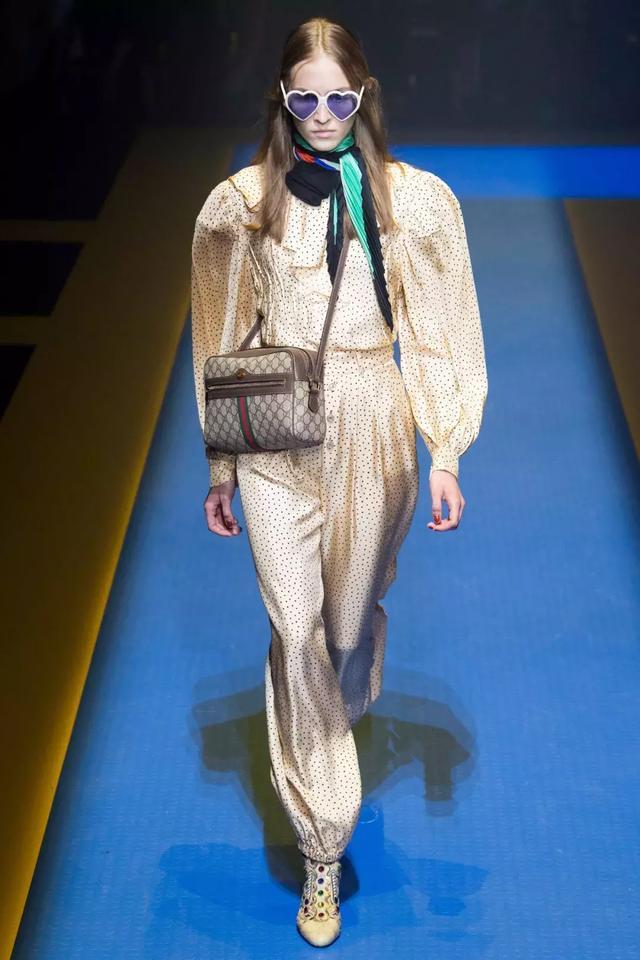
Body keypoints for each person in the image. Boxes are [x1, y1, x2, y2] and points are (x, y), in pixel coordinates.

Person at [191, 16, 488, 948]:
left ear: (363, 97)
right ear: (282, 99)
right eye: (305, 97)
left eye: (339, 97)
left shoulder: (414, 202)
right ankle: (324, 843)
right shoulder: (241, 204)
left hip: (373, 419)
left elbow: (440, 328)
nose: (322, 114)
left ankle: (339, 711)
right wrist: (221, 462)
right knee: (296, 630)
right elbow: (221, 332)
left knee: (344, 633)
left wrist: (446, 451)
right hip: (278, 431)